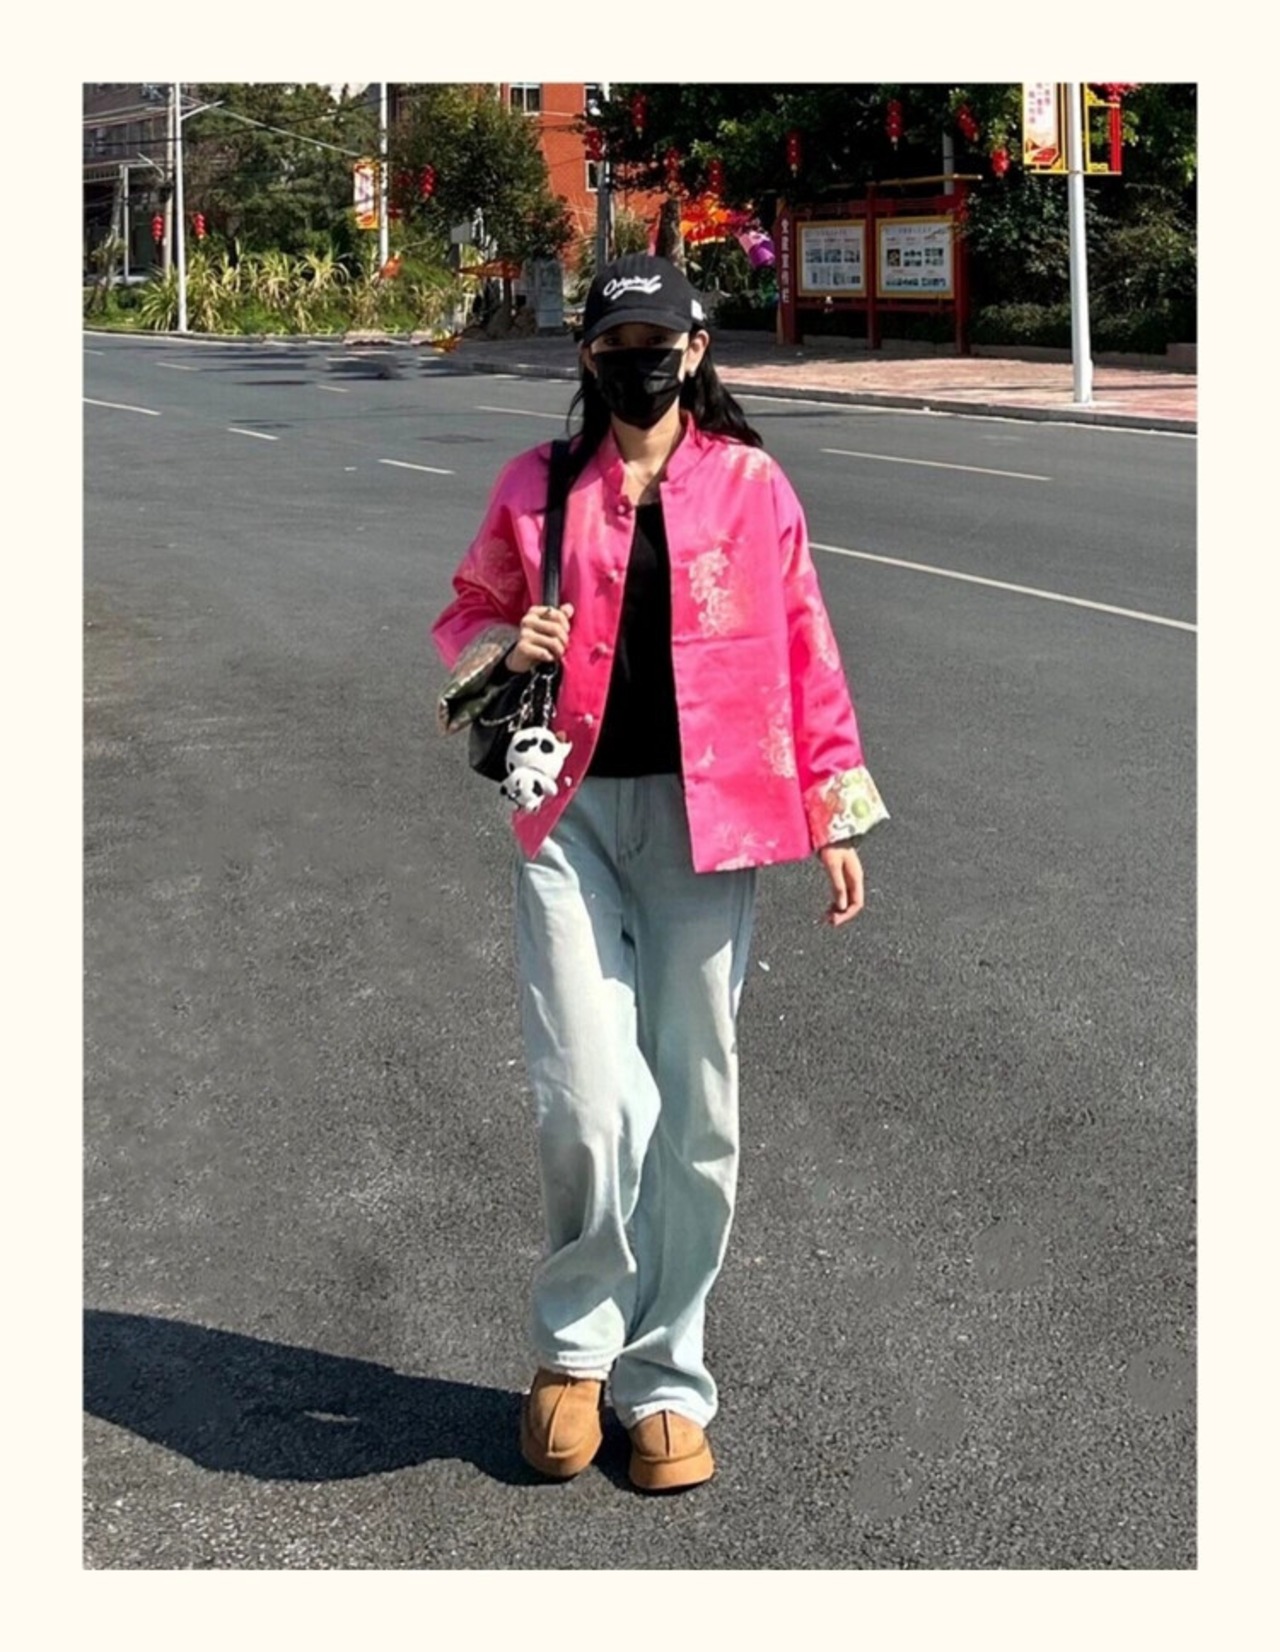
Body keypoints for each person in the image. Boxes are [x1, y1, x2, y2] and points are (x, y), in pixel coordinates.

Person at [432, 253, 888, 1493]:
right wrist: (507, 639)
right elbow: (466, 612)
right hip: (568, 816)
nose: (636, 361)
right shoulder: (537, 485)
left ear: (693, 349)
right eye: (613, 343)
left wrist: (831, 810)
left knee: (693, 1107)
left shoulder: (748, 484)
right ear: (589, 357)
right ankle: (574, 1347)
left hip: (711, 817)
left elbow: (803, 645)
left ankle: (664, 1375)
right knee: (588, 1096)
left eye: (656, 341)